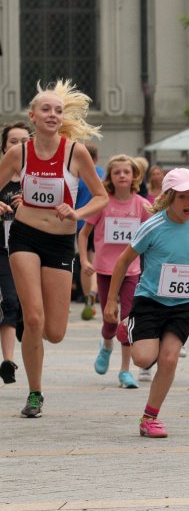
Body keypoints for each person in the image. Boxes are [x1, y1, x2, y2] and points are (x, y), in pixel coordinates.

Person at [0, 80, 108, 418]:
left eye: (58, 110)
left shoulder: (76, 153)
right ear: (32, 116)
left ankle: (34, 331)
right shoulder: (19, 153)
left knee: (55, 332)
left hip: (60, 242)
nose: (52, 114)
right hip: (24, 237)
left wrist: (77, 212)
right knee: (33, 318)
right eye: (45, 109)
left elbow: (101, 197)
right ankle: (35, 393)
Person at [103, 168, 189, 438]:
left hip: (182, 305)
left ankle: (150, 417)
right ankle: (128, 327)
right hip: (150, 301)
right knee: (143, 359)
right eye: (182, 197)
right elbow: (123, 261)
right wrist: (112, 301)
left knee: (169, 359)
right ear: (169, 197)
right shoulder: (152, 226)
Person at [79, 155, 152, 388]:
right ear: (110, 177)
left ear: (134, 176)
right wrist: (84, 259)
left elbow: (154, 234)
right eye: (117, 172)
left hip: (131, 270)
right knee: (110, 320)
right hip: (105, 269)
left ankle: (125, 371)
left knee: (127, 320)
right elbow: (83, 233)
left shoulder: (141, 205)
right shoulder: (102, 203)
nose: (122, 176)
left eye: (126, 172)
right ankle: (106, 345)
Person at [0, 122, 29, 385]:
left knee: (23, 304)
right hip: (3, 250)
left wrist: (28, 208)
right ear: (4, 147)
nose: (19, 146)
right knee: (9, 301)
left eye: (24, 141)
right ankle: (8, 360)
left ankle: (23, 320)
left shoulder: (38, 180)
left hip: (31, 250)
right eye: (13, 141)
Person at [76, 142, 104, 319]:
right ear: (97, 158)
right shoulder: (102, 174)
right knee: (96, 259)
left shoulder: (77, 174)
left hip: (80, 222)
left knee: (84, 261)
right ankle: (94, 291)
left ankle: (88, 295)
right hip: (100, 222)